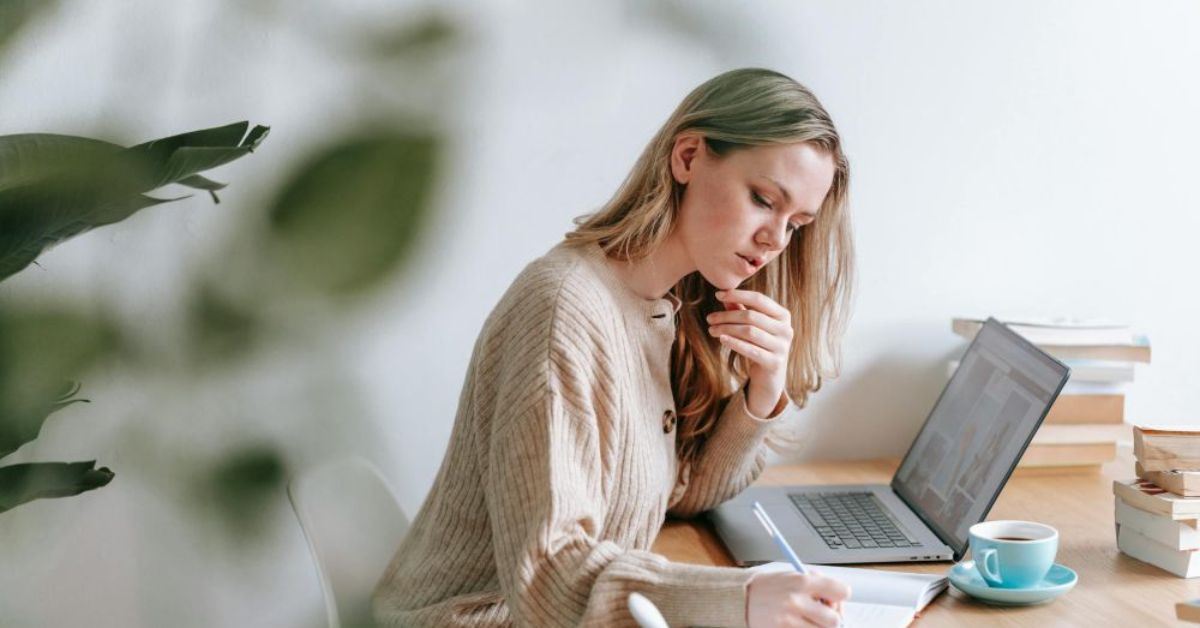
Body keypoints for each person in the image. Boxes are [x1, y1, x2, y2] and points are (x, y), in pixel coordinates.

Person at [373, 67, 855, 627]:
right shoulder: (563, 310)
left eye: (796, 224)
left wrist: (761, 393)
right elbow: (548, 576)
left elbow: (680, 494)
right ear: (688, 158)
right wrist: (739, 598)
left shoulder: (661, 307)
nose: (775, 240)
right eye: (763, 199)